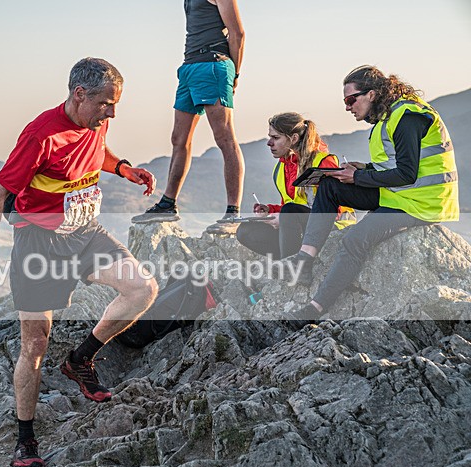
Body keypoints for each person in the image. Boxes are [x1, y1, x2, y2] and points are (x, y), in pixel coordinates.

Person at [0, 58, 159, 467]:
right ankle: (25, 440)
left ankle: (80, 360)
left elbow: (97, 151)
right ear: (78, 94)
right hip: (39, 244)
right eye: (105, 103)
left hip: (86, 232)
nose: (112, 113)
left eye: (115, 104)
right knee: (35, 343)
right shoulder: (40, 136)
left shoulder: (95, 121)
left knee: (142, 289)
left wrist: (123, 168)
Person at [282, 65, 458, 324]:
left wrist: (358, 177)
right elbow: (394, 166)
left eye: (350, 100)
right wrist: (363, 168)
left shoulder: (407, 116)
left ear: (372, 94)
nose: (347, 107)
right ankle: (305, 259)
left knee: (355, 239)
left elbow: (407, 173)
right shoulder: (387, 119)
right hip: (398, 194)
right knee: (330, 185)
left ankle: (315, 309)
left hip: (422, 203)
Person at [132, 0, 245, 235]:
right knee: (178, 139)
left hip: (213, 64)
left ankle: (233, 212)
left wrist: (234, 75)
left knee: (224, 138)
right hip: (189, 67)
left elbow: (238, 34)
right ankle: (167, 204)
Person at [236, 112, 355, 260]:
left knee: (288, 213)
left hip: (333, 226)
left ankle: (292, 267)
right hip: (300, 226)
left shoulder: (323, 162)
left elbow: (333, 211)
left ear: (293, 139)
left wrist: (284, 217)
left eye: (275, 138)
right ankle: (288, 259)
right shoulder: (280, 168)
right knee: (245, 231)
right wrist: (271, 211)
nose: (269, 143)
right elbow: (292, 206)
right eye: (270, 137)